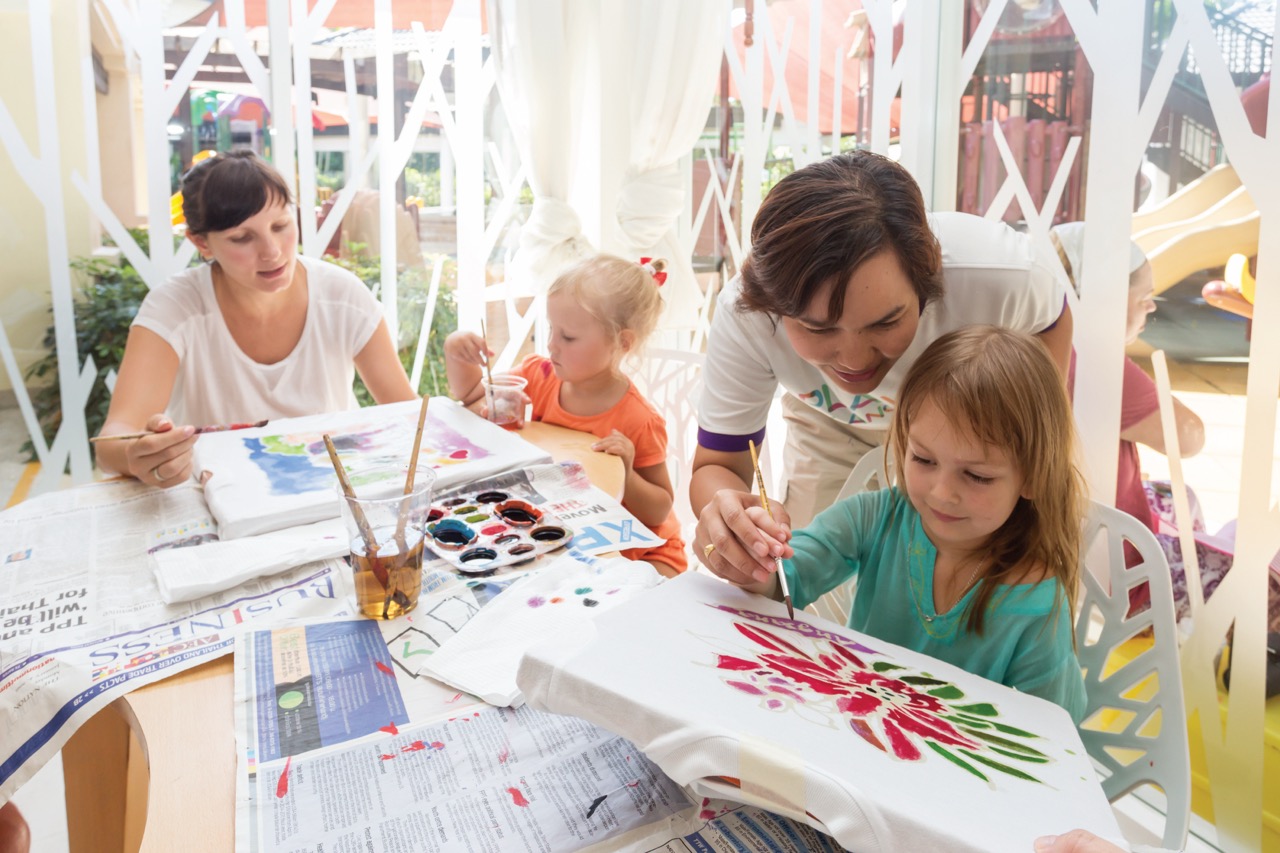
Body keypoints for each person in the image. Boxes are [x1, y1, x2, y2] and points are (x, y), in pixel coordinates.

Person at [692, 151, 1074, 567]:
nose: (855, 361)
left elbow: (1051, 319)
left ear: (928, 275)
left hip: (967, 428)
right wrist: (729, 515)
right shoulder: (747, 314)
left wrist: (1031, 436)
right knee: (810, 563)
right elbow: (719, 464)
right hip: (828, 421)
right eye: (818, 329)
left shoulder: (1000, 275)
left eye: (885, 322)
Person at [696, 326, 1088, 721]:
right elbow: (786, 580)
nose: (941, 493)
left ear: (1033, 477)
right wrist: (753, 553)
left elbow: (1057, 729)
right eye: (923, 459)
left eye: (977, 476)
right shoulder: (874, 517)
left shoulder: (1035, 601)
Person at [96, 151, 416, 487]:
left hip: (332, 494)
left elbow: (410, 417)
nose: (272, 251)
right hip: (221, 497)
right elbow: (112, 442)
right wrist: (140, 455)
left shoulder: (343, 297)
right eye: (242, 238)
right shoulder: (175, 307)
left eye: (280, 226)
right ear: (201, 243)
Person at [444, 255, 687, 576]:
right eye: (551, 329)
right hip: (568, 543)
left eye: (568, 337)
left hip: (644, 554)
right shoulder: (538, 375)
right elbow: (474, 395)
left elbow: (659, 511)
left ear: (622, 342)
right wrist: (457, 352)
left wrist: (628, 473)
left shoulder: (639, 419)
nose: (551, 345)